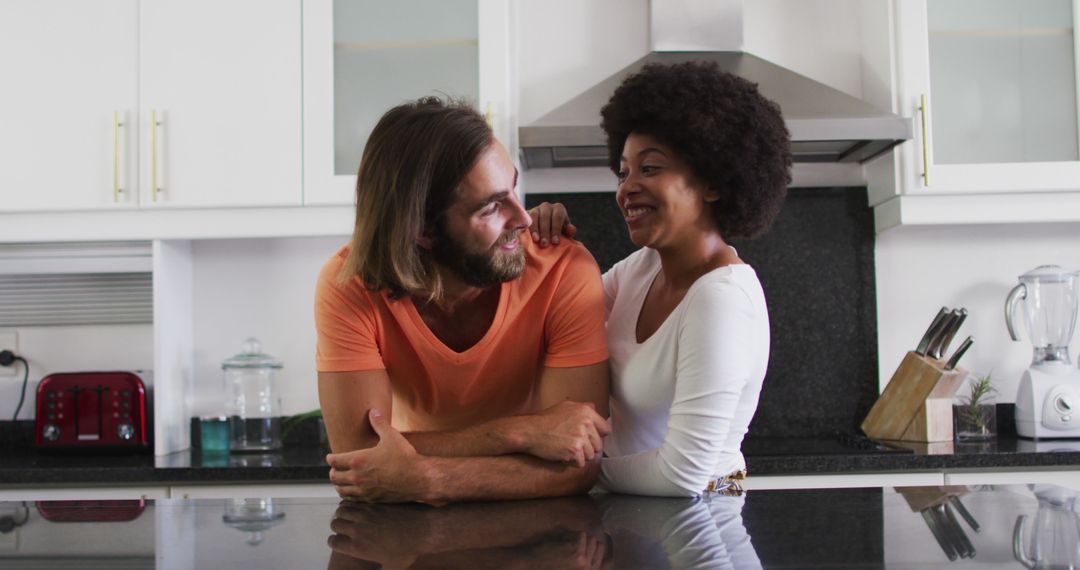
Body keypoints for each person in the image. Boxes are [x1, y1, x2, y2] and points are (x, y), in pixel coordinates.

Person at [314, 97, 611, 504]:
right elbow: (359, 458)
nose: (523, 219)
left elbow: (579, 462)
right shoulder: (349, 285)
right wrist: (522, 432)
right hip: (407, 536)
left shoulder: (564, 270)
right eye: (492, 205)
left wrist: (429, 478)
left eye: (514, 188)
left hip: (533, 530)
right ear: (423, 230)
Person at [530, 61, 791, 497]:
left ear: (712, 181)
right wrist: (538, 244)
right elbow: (552, 323)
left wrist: (573, 472)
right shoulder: (642, 269)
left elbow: (682, 474)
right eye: (623, 171)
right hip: (642, 519)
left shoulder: (721, 299)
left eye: (650, 168)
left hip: (701, 530)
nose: (626, 187)